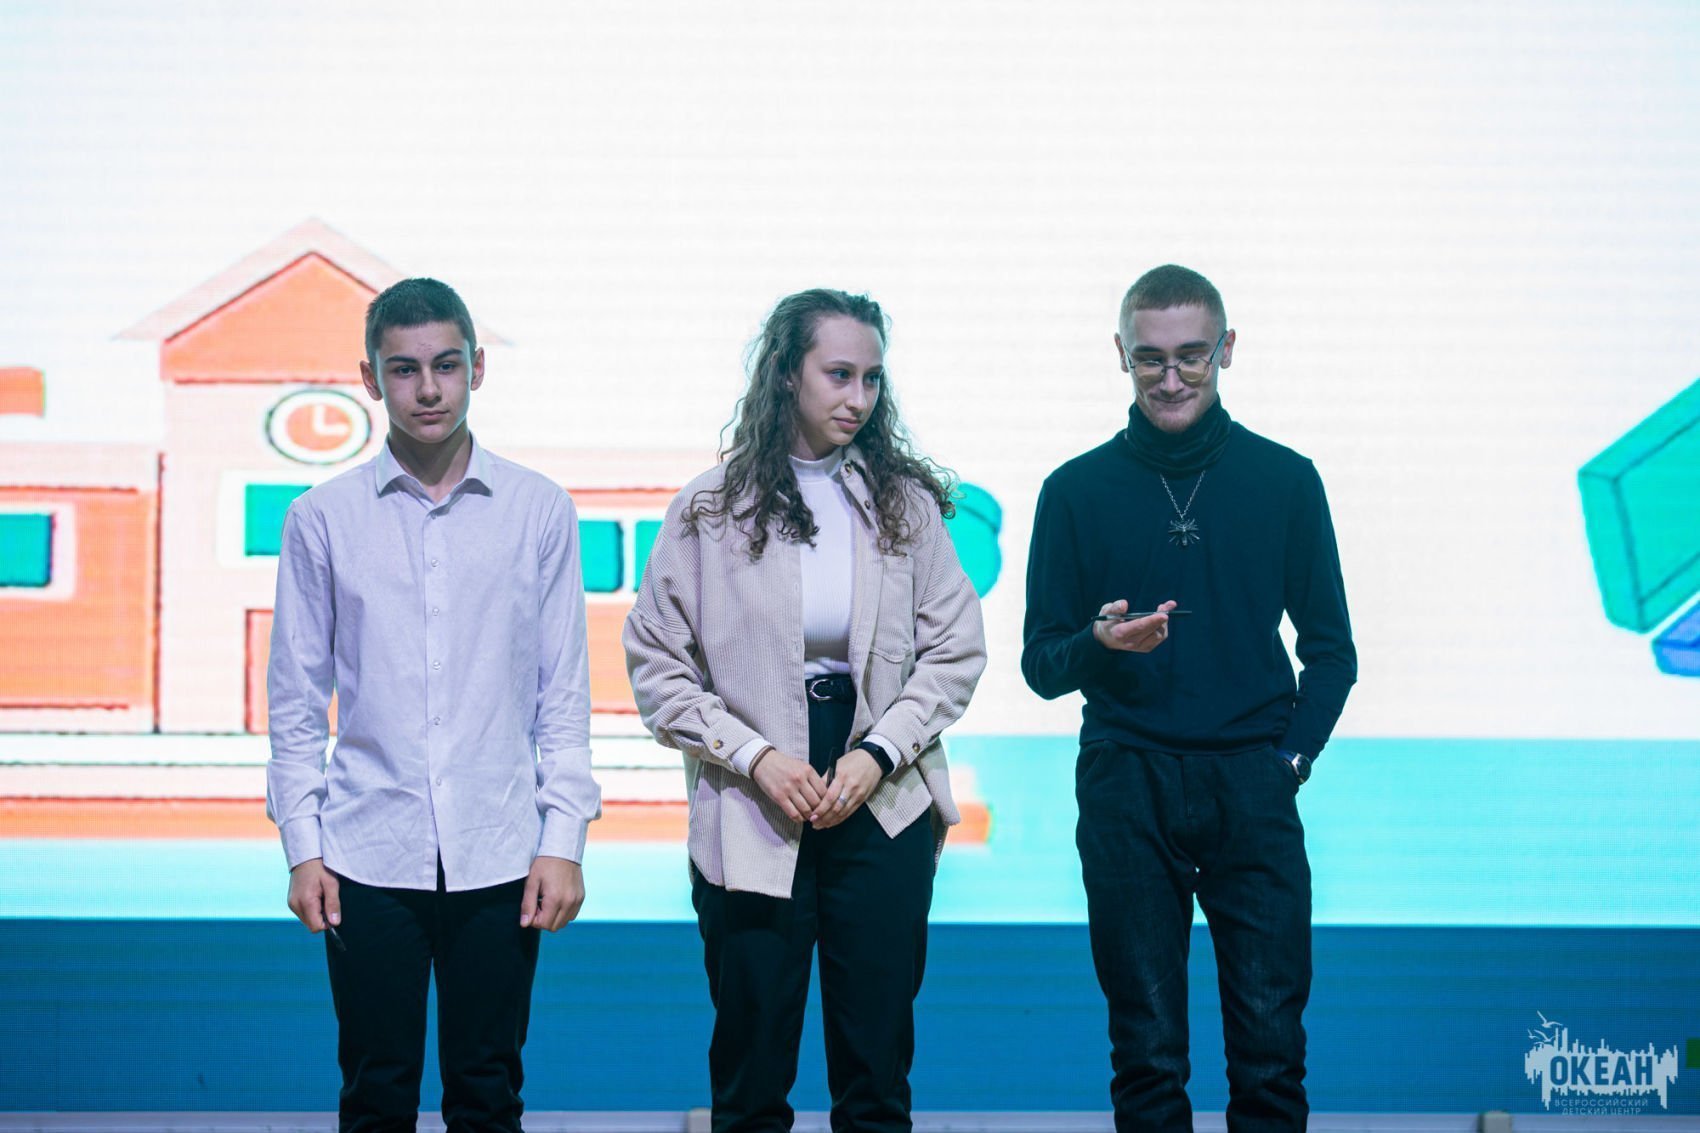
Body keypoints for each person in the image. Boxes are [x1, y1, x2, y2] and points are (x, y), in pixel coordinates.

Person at [624, 288, 986, 1133]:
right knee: (750, 1076)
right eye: (838, 374)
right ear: (787, 374)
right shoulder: (710, 508)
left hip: (883, 796)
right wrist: (755, 756)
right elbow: (658, 665)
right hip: (753, 800)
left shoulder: (903, 504)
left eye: (871, 378)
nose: (858, 397)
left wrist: (879, 752)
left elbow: (956, 649)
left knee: (876, 1077)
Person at [1021, 265, 1357, 1132]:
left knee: (1271, 1058)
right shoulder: (1074, 490)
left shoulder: (1285, 480)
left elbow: (1332, 652)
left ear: (1227, 350)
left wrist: (1288, 761)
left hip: (1253, 780)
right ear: (1122, 355)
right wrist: (1097, 645)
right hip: (1127, 780)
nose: (1170, 378)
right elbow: (1041, 664)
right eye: (1151, 359)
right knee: (1147, 1058)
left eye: (1192, 356)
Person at [266, 277, 600, 1133]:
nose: (428, 389)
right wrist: (303, 847)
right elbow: (296, 705)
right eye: (404, 369)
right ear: (370, 378)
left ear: (477, 368)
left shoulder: (538, 510)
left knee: (488, 1092)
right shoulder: (321, 518)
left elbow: (563, 695)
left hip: (501, 848)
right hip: (365, 851)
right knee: (375, 1092)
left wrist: (563, 840)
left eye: (446, 366)